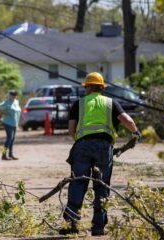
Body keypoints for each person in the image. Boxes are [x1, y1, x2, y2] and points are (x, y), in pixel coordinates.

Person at [60, 72, 141, 236]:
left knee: (78, 183)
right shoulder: (112, 103)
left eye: (85, 87)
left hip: (82, 147)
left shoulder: (79, 104)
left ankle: (71, 224)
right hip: (104, 148)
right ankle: (98, 227)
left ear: (88, 87)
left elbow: (70, 131)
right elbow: (129, 121)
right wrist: (136, 133)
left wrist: (82, 140)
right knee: (102, 186)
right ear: (102, 87)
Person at [0, 90, 21, 160]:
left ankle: (11, 154)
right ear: (9, 95)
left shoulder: (16, 102)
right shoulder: (6, 102)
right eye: (12, 95)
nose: (14, 96)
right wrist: (3, 113)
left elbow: (17, 112)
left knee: (12, 139)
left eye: (15, 95)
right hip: (7, 122)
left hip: (14, 123)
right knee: (9, 138)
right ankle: (3, 155)